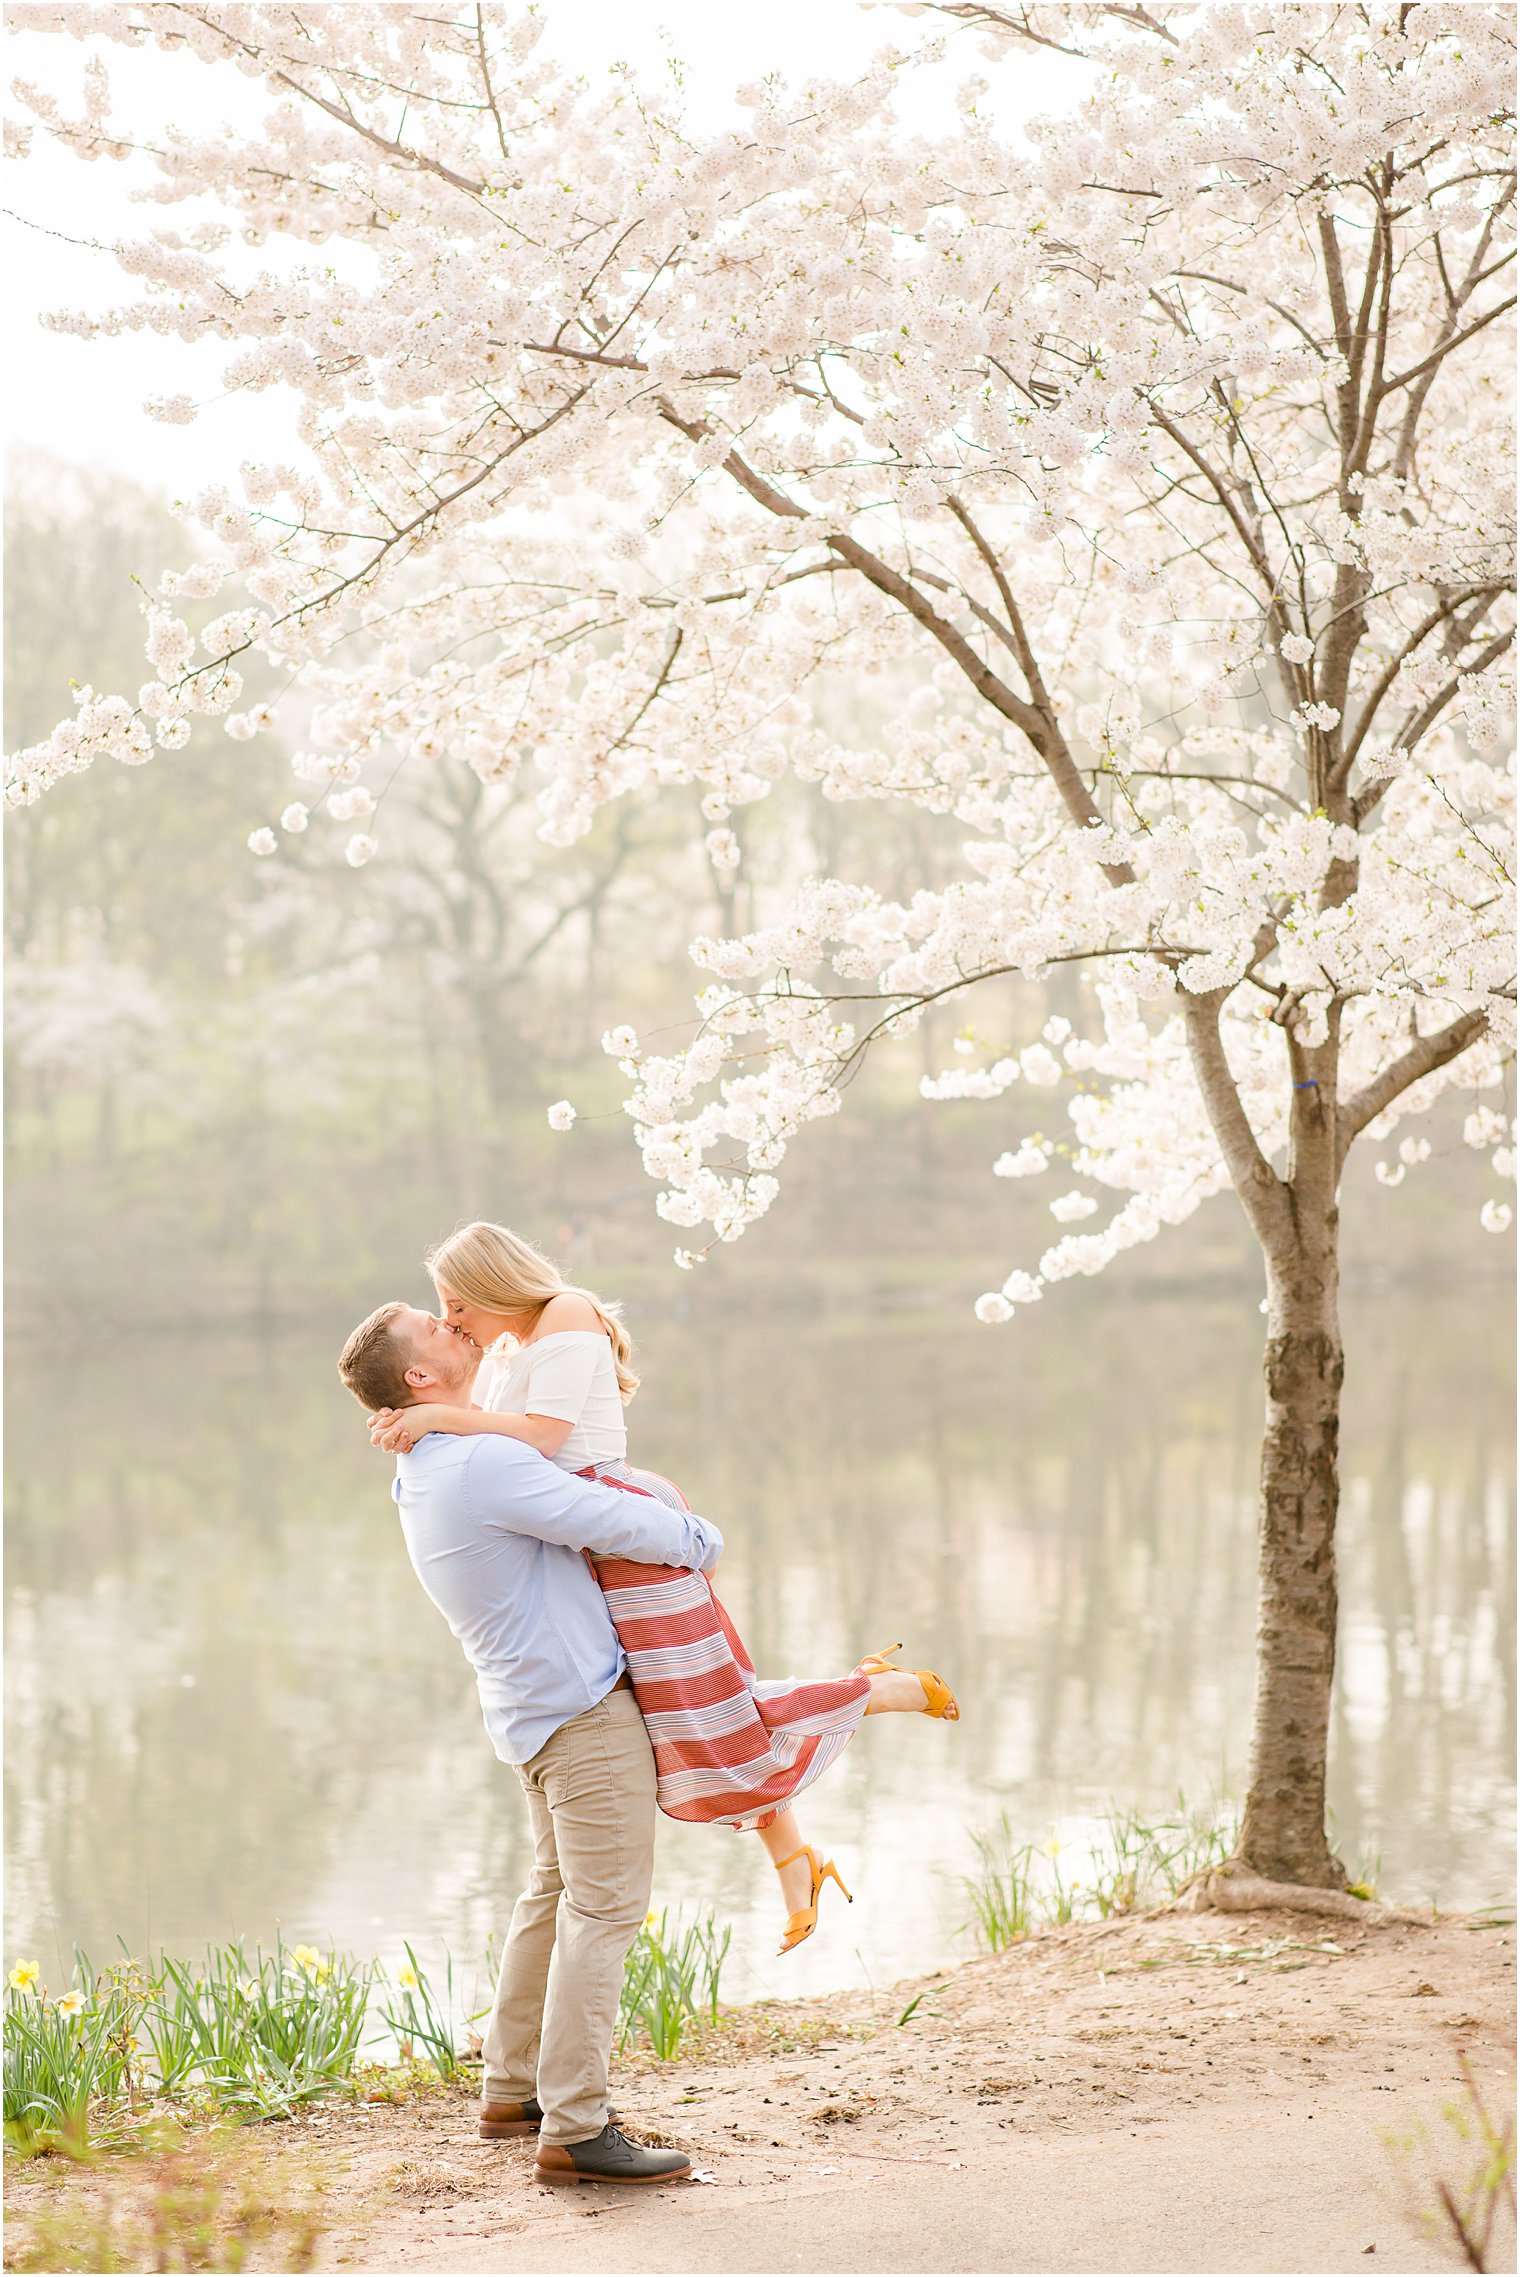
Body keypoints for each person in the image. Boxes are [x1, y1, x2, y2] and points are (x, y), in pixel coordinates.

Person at [366, 1222, 960, 1960]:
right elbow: (496, 1443)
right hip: (589, 1540)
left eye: (454, 1304)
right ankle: (794, 1857)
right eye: (440, 1313)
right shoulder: (510, 1350)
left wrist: (435, 1415)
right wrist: (427, 1419)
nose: (452, 1321)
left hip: (625, 1527)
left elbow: (544, 1438)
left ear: (493, 1281)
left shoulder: (567, 1312)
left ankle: (874, 1692)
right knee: (695, 1715)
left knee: (709, 1706)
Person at [338, 1298, 710, 2187]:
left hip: (531, 1708)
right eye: (435, 1326)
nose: (452, 1322)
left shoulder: (435, 1459)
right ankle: (578, 2125)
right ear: (418, 1377)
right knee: (604, 1909)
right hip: (580, 1713)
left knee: (552, 1893)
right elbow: (607, 1518)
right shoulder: (478, 1465)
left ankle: (512, 2088)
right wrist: (699, 1537)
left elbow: (516, 1398)